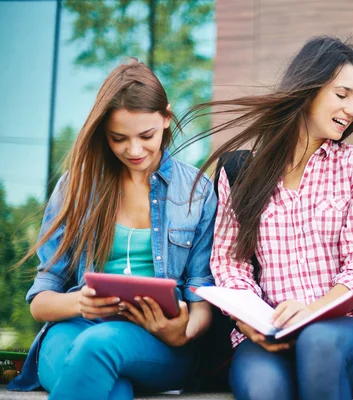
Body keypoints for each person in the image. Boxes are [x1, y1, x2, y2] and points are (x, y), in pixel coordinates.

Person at [184, 36, 353, 400]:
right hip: (269, 333)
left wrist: (310, 313)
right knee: (263, 388)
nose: (352, 109)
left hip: (351, 331)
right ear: (307, 90)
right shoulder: (241, 171)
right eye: (342, 94)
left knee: (317, 341)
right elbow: (229, 262)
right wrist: (248, 320)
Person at [8, 59, 218, 399]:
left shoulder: (196, 190)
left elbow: (202, 292)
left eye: (146, 136)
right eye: (118, 138)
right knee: (113, 389)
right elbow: (40, 302)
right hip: (74, 329)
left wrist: (182, 331)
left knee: (99, 346)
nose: (134, 150)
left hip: (158, 343)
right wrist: (80, 304)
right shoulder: (76, 187)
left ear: (166, 118)